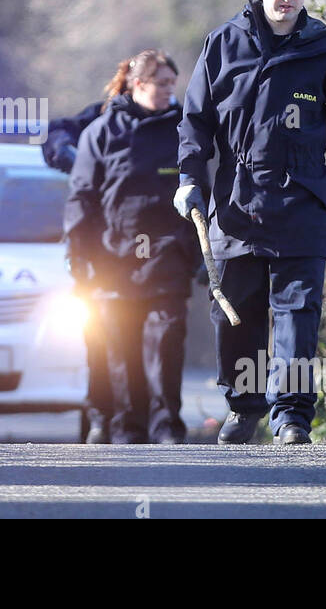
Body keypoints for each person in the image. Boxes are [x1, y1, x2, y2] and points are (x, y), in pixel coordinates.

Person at [174, 0, 326, 445]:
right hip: (237, 204)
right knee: (235, 312)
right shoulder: (224, 43)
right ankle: (244, 408)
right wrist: (189, 180)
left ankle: (290, 416)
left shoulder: (325, 49)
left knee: (298, 313)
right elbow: (195, 123)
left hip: (302, 201)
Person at [64, 50, 200, 444]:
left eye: (173, 85)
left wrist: (200, 257)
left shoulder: (185, 130)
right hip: (114, 264)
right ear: (138, 85)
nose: (169, 92)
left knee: (166, 349)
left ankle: (167, 428)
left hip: (169, 259)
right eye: (161, 84)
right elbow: (82, 198)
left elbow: (206, 189)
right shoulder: (103, 132)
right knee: (121, 355)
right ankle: (127, 430)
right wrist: (80, 259)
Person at [43, 101, 110, 442]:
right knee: (100, 344)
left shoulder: (169, 122)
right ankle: (100, 420)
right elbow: (57, 132)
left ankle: (155, 430)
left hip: (148, 262)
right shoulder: (101, 120)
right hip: (98, 260)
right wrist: (67, 152)